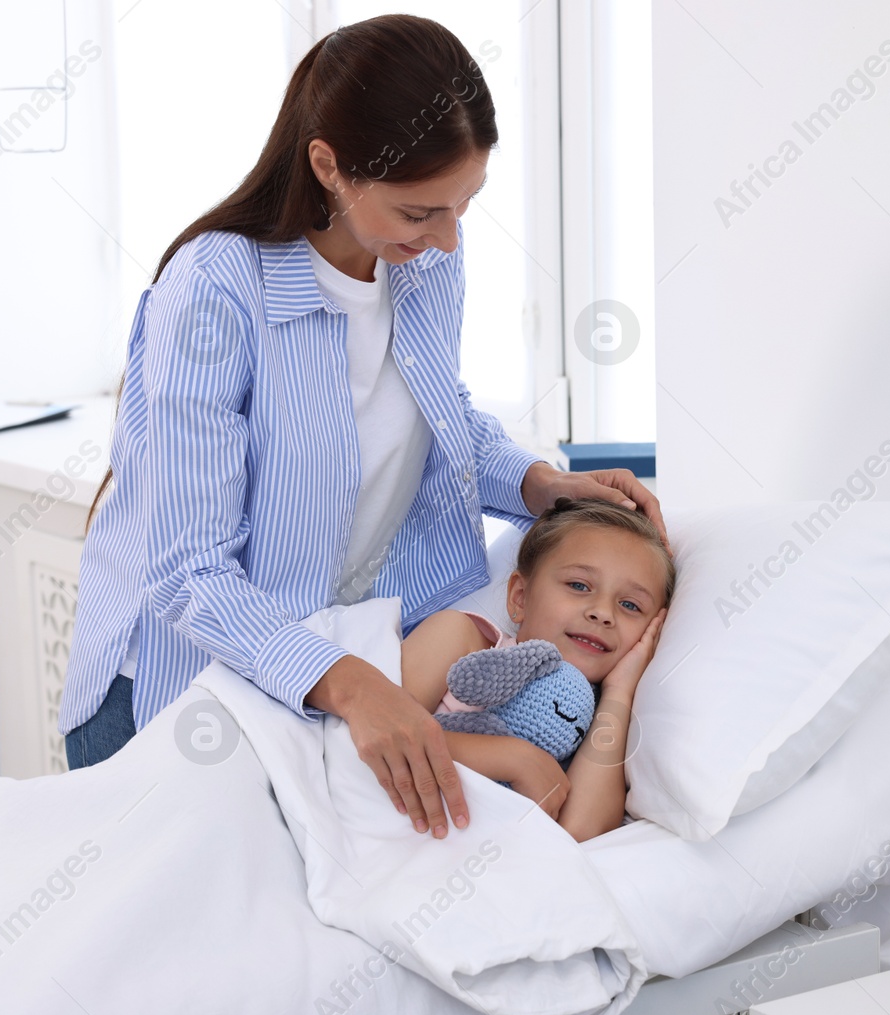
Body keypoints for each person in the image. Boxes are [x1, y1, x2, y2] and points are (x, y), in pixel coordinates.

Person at [59, 15, 668, 844]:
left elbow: (434, 410)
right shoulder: (214, 293)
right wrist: (349, 685)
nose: (449, 238)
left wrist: (538, 484)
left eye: (465, 207)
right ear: (329, 167)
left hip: (337, 674)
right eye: (421, 211)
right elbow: (185, 571)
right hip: (184, 690)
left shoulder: (425, 256)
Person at [401, 498, 673, 842]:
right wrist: (513, 759)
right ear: (519, 597)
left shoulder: (592, 726)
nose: (603, 612)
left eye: (630, 605)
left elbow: (579, 832)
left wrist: (620, 691)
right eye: (579, 585)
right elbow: (377, 732)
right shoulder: (465, 638)